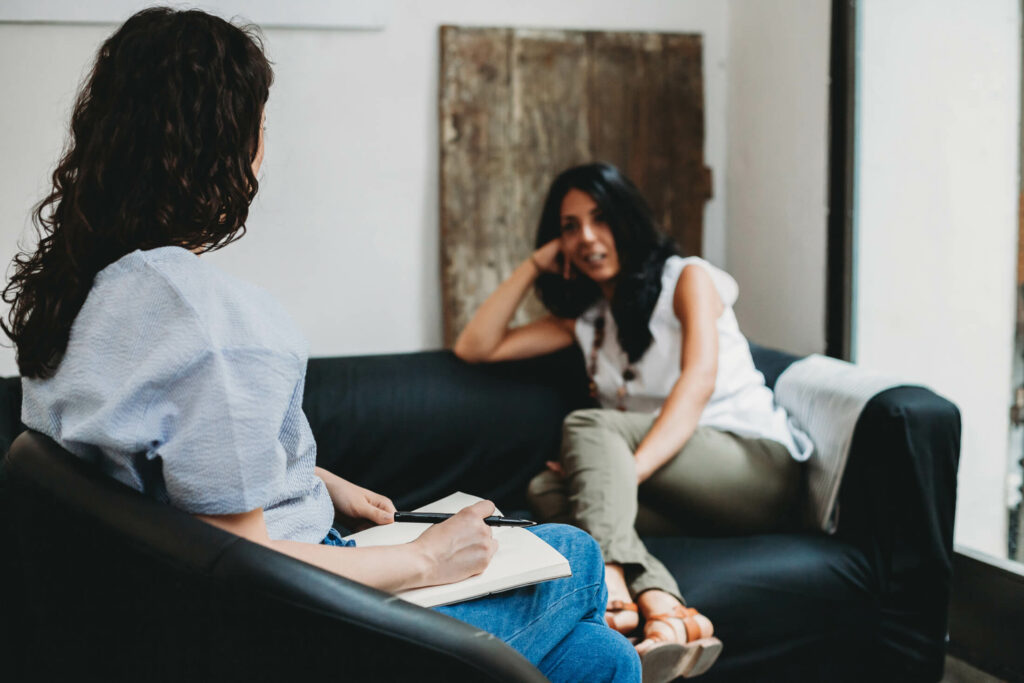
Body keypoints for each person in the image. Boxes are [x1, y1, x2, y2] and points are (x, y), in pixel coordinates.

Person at [1, 9, 640, 683]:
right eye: (261, 126)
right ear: (228, 143)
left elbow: (165, 473)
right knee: (575, 551)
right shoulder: (209, 323)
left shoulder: (77, 293)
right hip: (292, 634)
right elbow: (241, 562)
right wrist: (426, 557)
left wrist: (309, 480)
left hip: (171, 620)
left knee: (601, 660)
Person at [454, 162, 813, 680]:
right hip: (691, 491)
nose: (587, 238)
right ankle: (669, 612)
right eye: (570, 227)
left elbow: (698, 385)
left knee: (588, 426)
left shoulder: (687, 278)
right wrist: (535, 262)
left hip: (755, 469)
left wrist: (623, 471)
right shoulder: (592, 322)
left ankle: (616, 587)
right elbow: (476, 346)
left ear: (629, 221)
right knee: (547, 490)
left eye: (600, 219)